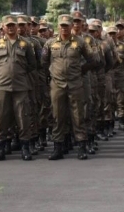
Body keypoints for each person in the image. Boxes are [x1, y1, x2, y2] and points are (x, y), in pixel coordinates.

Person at [43, 15, 102, 160]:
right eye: (62, 25)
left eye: (67, 25)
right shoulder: (50, 43)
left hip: (75, 84)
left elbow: (94, 60)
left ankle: (81, 146)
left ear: (71, 27)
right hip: (57, 85)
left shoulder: (80, 42)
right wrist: (51, 73)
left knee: (78, 116)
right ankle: (58, 147)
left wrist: (81, 70)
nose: (64, 28)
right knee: (58, 116)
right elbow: (43, 62)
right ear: (58, 27)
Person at [0, 16, 39, 161]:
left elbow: (32, 64)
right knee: (1, 118)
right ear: (3, 27)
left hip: (20, 86)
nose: (10, 28)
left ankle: (25, 147)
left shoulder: (25, 44)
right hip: (3, 86)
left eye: (13, 25)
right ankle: (0, 148)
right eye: (8, 25)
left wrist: (19, 73)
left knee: (23, 117)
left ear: (17, 27)